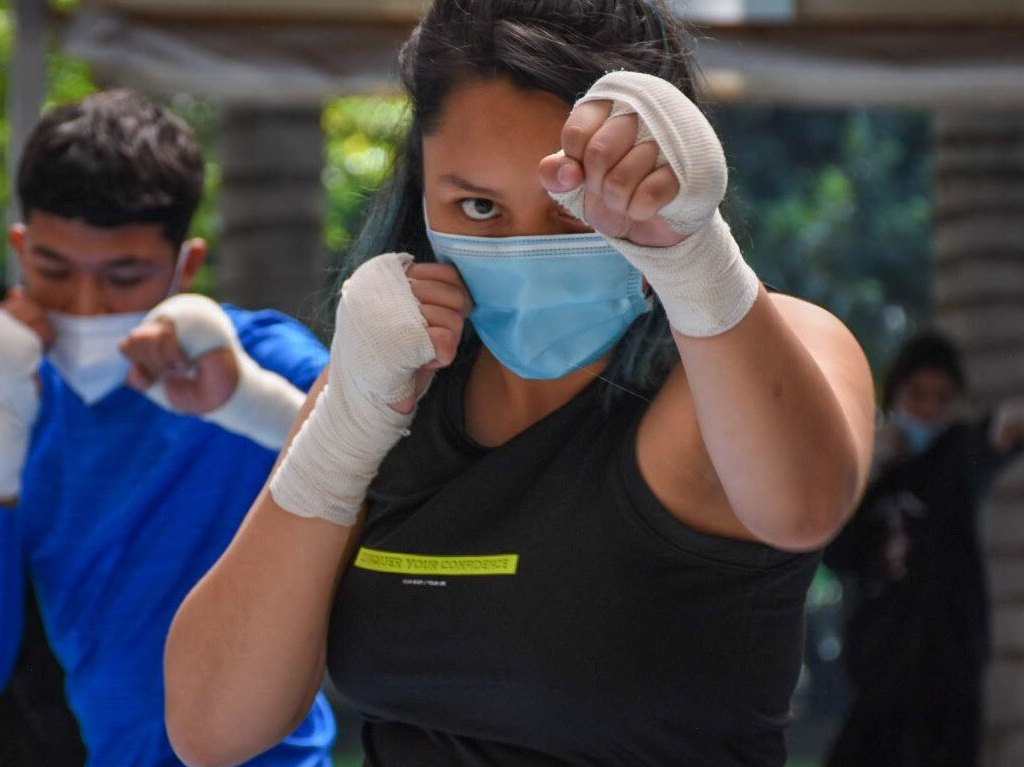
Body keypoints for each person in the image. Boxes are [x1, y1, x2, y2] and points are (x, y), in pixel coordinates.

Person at [164, 1, 877, 765]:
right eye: (477, 206)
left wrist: (693, 256)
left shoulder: (765, 354)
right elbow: (211, 726)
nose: (525, 245)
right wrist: (342, 428)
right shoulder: (388, 377)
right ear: (420, 189)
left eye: (574, 208)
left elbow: (803, 506)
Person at [0, 89, 336, 765]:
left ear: (186, 266)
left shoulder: (253, 359)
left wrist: (251, 401)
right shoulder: (17, 392)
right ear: (20, 247)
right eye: (54, 270)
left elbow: (416, 467)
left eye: (124, 275)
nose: (86, 304)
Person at [824, 331, 1024, 767]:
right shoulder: (871, 475)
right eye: (916, 395)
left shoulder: (957, 458)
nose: (929, 409)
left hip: (949, 683)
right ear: (895, 394)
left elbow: (993, 438)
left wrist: (1009, 425)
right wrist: (868, 470)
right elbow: (836, 552)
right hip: (878, 680)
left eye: (942, 398)